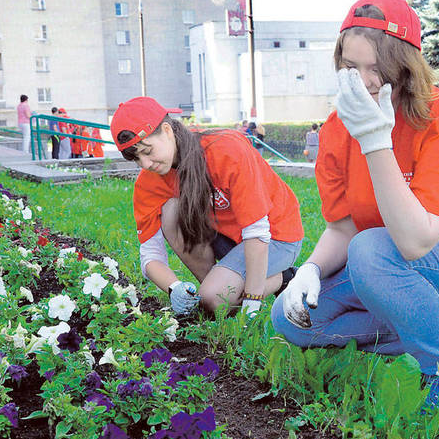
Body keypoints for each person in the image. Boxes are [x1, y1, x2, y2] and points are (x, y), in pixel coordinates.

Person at [271, 0, 439, 407]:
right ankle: (422, 325)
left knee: (374, 248)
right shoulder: (335, 129)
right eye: (350, 67)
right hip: (397, 267)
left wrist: (375, 140)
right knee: (292, 319)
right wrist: (309, 268)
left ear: (404, 63)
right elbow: (343, 227)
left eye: (375, 68)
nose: (362, 81)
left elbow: (416, 242)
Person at [110, 97, 304, 317]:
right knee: (171, 213)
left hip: (275, 235)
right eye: (136, 158)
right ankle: (220, 284)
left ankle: (283, 279)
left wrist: (252, 301)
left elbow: (257, 231)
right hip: (227, 237)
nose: (145, 164)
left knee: (213, 299)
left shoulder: (225, 149)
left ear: (167, 130)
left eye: (147, 151)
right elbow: (150, 254)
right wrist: (174, 288)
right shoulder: (148, 181)